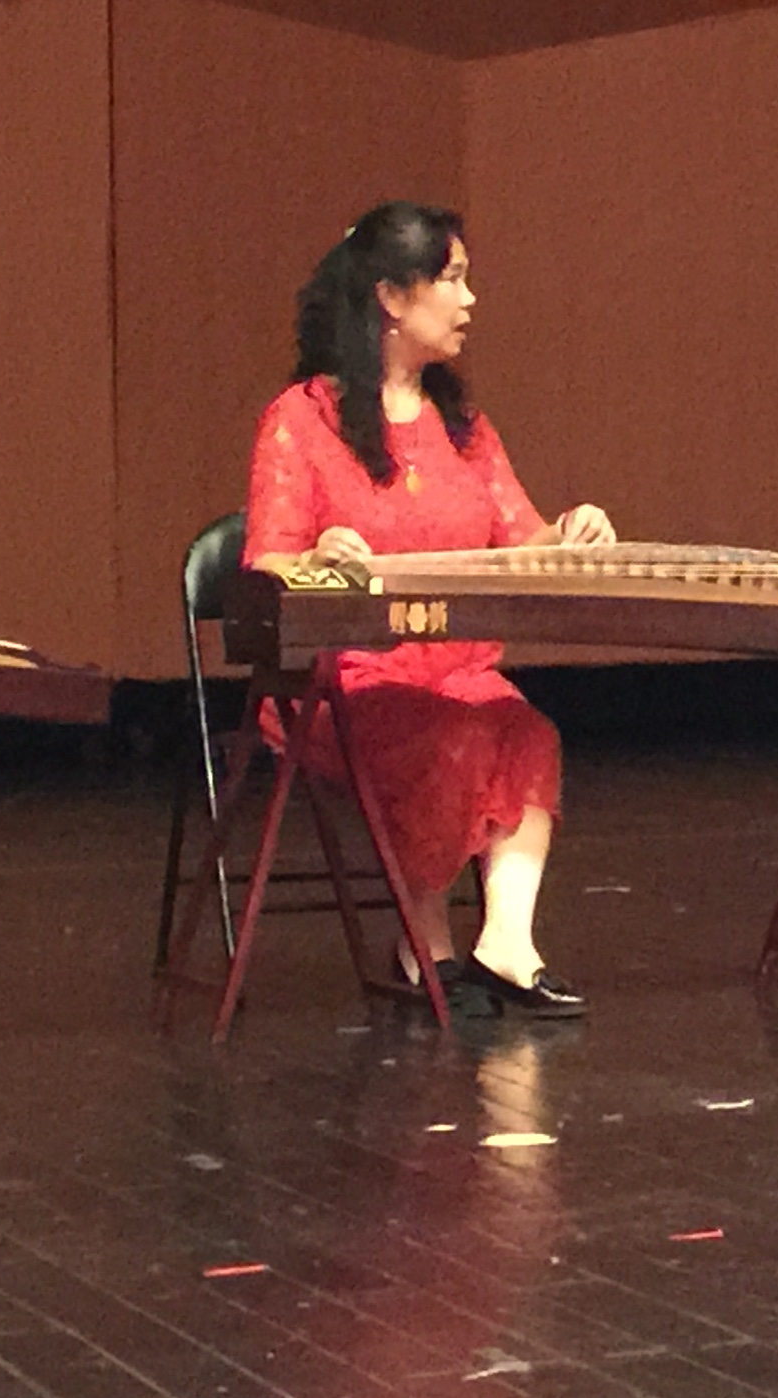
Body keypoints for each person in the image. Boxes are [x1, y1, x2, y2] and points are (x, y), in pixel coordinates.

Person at [243, 203, 616, 1012]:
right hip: (347, 680)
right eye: (452, 278)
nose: (469, 298)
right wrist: (317, 560)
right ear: (390, 296)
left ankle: (507, 944)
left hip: (454, 669)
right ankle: (425, 944)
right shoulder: (301, 421)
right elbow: (266, 562)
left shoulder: (463, 429)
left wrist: (569, 534)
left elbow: (520, 540)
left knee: (525, 731)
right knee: (453, 739)